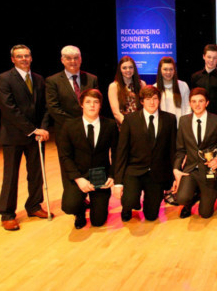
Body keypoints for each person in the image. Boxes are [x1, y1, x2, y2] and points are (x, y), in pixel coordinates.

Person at [0, 45, 51, 231]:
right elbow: (9, 109)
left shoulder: (38, 79)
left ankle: (34, 206)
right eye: (20, 56)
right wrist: (32, 130)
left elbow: (44, 107)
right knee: (10, 176)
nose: (24, 59)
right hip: (13, 136)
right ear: (13, 59)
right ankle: (7, 213)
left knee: (36, 174)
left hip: (36, 136)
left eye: (27, 55)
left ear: (31, 57)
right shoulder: (3, 79)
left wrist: (42, 129)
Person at [113, 86, 177, 222]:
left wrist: (173, 177)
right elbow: (121, 152)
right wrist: (118, 182)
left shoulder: (170, 119)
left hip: (156, 172)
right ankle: (127, 206)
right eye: (148, 99)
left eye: (155, 99)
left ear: (159, 100)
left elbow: (172, 149)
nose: (152, 103)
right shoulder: (130, 120)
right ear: (142, 101)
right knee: (130, 200)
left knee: (152, 216)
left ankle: (147, 201)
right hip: (134, 170)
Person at [58, 89, 118, 229]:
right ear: (81, 105)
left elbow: (116, 153)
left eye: (96, 102)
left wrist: (112, 175)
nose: (92, 105)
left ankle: (98, 204)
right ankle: (79, 211)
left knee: (98, 222)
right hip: (79, 174)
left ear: (100, 105)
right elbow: (65, 156)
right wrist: (78, 179)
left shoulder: (109, 125)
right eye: (88, 102)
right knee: (69, 206)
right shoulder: (69, 126)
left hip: (100, 175)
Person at [173, 88, 217, 219]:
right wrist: (176, 169)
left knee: (205, 214)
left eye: (201, 101)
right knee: (181, 198)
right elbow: (181, 149)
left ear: (207, 103)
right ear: (190, 103)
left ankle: (205, 195)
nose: (197, 105)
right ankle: (189, 201)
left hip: (209, 170)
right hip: (191, 168)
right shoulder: (183, 121)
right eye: (194, 101)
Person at [46, 45, 99, 184]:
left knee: (92, 161)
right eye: (68, 58)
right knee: (69, 164)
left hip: (90, 128)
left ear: (81, 59)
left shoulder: (91, 79)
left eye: (76, 58)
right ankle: (75, 198)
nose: (73, 61)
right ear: (62, 60)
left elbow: (96, 103)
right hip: (65, 130)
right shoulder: (53, 81)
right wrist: (75, 125)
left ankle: (94, 193)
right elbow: (53, 107)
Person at [191, 44, 217, 119]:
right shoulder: (195, 77)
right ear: (204, 57)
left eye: (214, 58)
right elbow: (192, 99)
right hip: (198, 117)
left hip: (216, 118)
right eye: (209, 57)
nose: (211, 60)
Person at [108, 56, 146, 126]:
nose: (128, 70)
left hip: (141, 125)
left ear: (134, 69)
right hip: (124, 126)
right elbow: (116, 113)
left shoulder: (142, 84)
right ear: (120, 70)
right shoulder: (114, 86)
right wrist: (129, 126)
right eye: (124, 68)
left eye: (131, 67)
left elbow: (145, 108)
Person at [155, 56, 191, 125]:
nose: (168, 72)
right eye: (165, 69)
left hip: (180, 127)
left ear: (174, 70)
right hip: (162, 128)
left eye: (171, 69)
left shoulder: (183, 85)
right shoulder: (155, 87)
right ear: (160, 70)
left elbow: (188, 108)